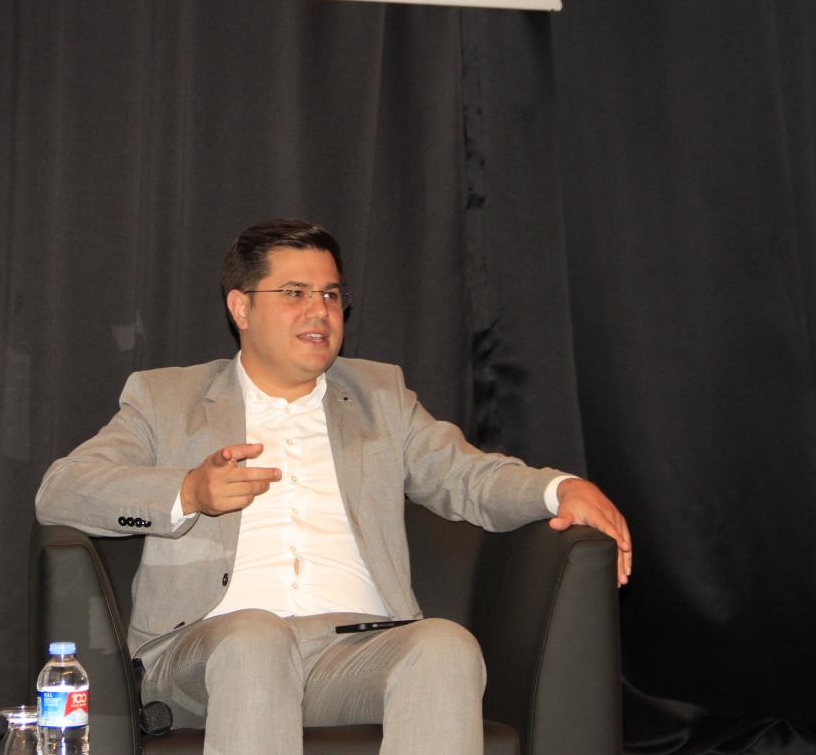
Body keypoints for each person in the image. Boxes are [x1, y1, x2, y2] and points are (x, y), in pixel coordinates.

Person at [35, 218, 632, 755]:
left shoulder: (381, 398)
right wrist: (189, 492)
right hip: (205, 655)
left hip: (354, 651)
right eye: (295, 293)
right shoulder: (167, 399)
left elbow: (468, 476)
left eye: (330, 294)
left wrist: (559, 489)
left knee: (444, 646)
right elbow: (62, 489)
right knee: (256, 638)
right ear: (241, 308)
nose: (319, 311)